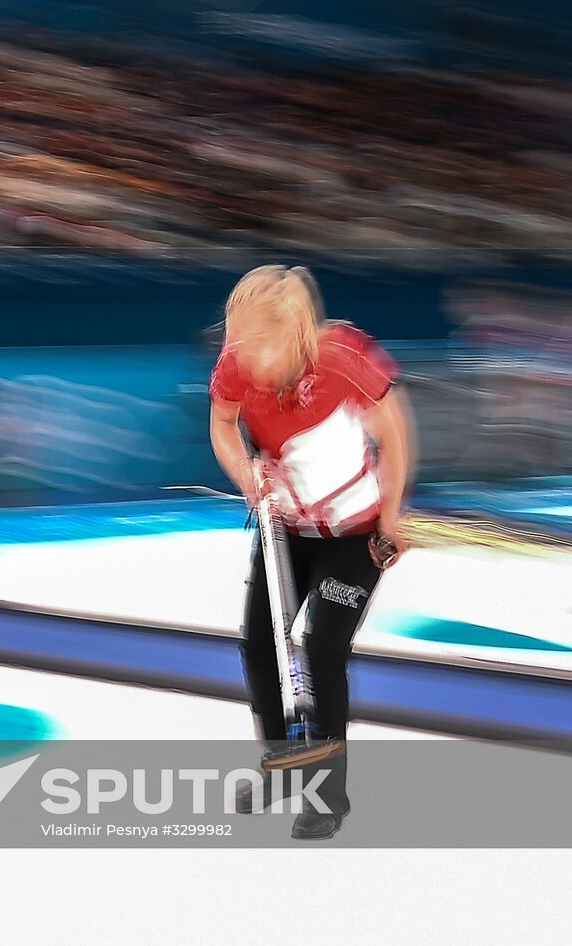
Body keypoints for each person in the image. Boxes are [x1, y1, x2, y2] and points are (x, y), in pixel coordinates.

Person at [208, 265, 414, 840]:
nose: (239, 359)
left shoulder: (345, 359)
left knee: (321, 649)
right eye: (235, 344)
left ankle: (329, 795)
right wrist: (247, 473)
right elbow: (223, 424)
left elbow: (393, 431)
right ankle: (279, 763)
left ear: (289, 336)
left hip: (355, 534)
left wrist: (393, 515)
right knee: (257, 642)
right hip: (286, 526)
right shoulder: (236, 365)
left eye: (253, 346)